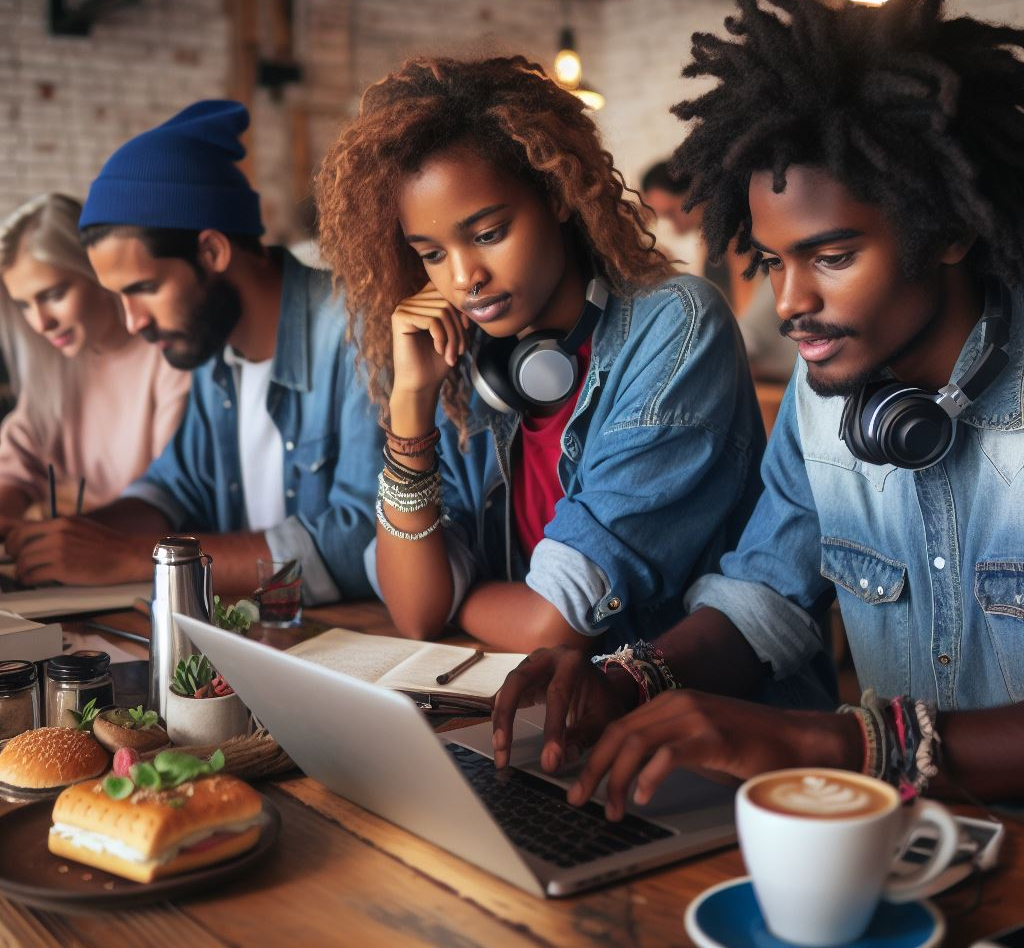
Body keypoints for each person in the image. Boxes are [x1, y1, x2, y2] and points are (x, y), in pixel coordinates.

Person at [491, 0, 1024, 810]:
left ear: (952, 228)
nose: (789, 303)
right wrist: (629, 677)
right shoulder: (823, 404)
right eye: (773, 261)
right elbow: (764, 599)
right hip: (897, 848)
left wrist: (841, 741)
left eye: (834, 256)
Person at [316, 56, 766, 652]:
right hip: (534, 709)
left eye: (488, 234)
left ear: (554, 195)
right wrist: (412, 403)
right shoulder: (461, 361)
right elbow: (419, 613)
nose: (465, 278)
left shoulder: (675, 325)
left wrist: (464, 594)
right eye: (431, 253)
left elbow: (553, 624)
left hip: (684, 720)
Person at [6, 101, 381, 602]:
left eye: (144, 287)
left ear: (212, 251)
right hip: (256, 637)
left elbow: (359, 545)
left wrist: (129, 557)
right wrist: (75, 541)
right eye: (118, 296)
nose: (133, 321)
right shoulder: (212, 348)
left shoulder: (359, 332)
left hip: (357, 648)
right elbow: (176, 486)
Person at [0, 193, 189, 526]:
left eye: (54, 295)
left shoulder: (170, 358)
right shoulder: (57, 358)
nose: (40, 323)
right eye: (24, 305)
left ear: (99, 273)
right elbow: (16, 460)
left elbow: (173, 496)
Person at [642, 161, 796, 382]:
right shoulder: (709, 247)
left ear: (694, 194)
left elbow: (747, 320)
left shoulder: (741, 235)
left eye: (672, 213)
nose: (672, 225)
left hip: (778, 362)